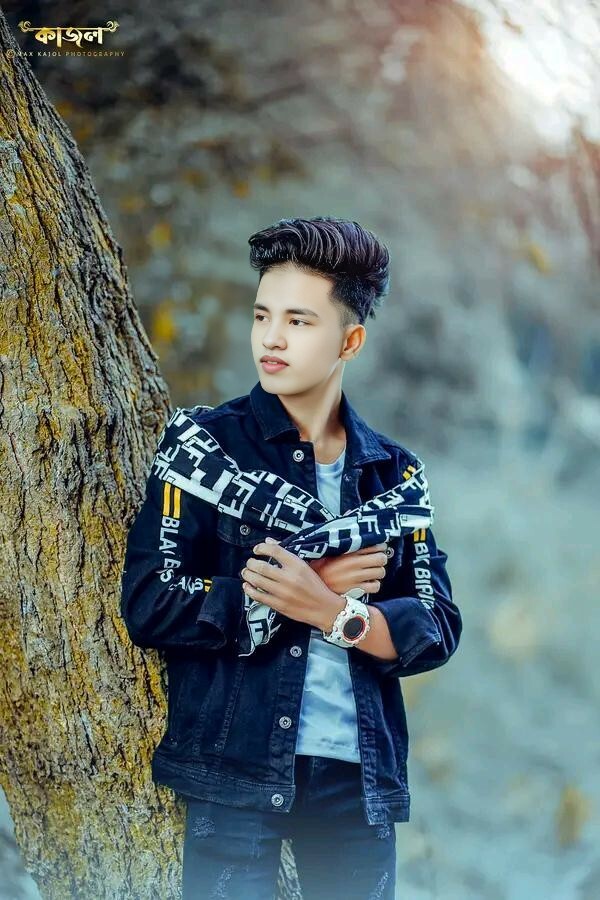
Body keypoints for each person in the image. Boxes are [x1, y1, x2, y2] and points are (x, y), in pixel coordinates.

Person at [120, 216, 463, 899]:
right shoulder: (202, 450)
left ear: (349, 340)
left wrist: (333, 612)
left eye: (299, 321)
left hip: (357, 779)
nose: (271, 338)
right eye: (262, 315)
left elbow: (435, 627)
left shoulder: (394, 477)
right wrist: (294, 592)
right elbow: (151, 599)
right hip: (234, 771)